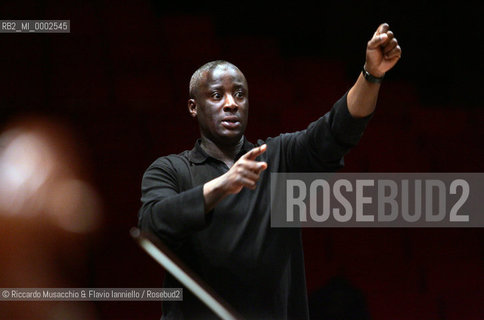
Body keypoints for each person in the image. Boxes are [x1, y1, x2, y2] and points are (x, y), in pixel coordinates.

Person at [139, 23, 401, 319]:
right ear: (193, 107)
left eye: (240, 95)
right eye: (216, 96)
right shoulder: (170, 170)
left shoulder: (277, 159)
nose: (231, 104)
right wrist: (224, 184)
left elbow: (337, 129)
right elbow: (152, 224)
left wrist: (371, 75)